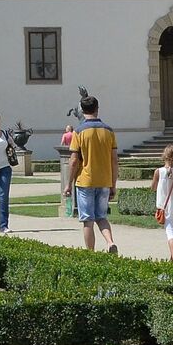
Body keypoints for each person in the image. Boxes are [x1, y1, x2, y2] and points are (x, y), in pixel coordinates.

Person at [64, 95, 120, 253]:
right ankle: (110, 242)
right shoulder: (108, 131)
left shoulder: (79, 131)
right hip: (104, 180)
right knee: (101, 217)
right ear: (97, 109)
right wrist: (113, 184)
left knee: (87, 220)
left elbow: (74, 160)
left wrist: (68, 184)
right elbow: (114, 160)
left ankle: (91, 253)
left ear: (82, 110)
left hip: (85, 180)